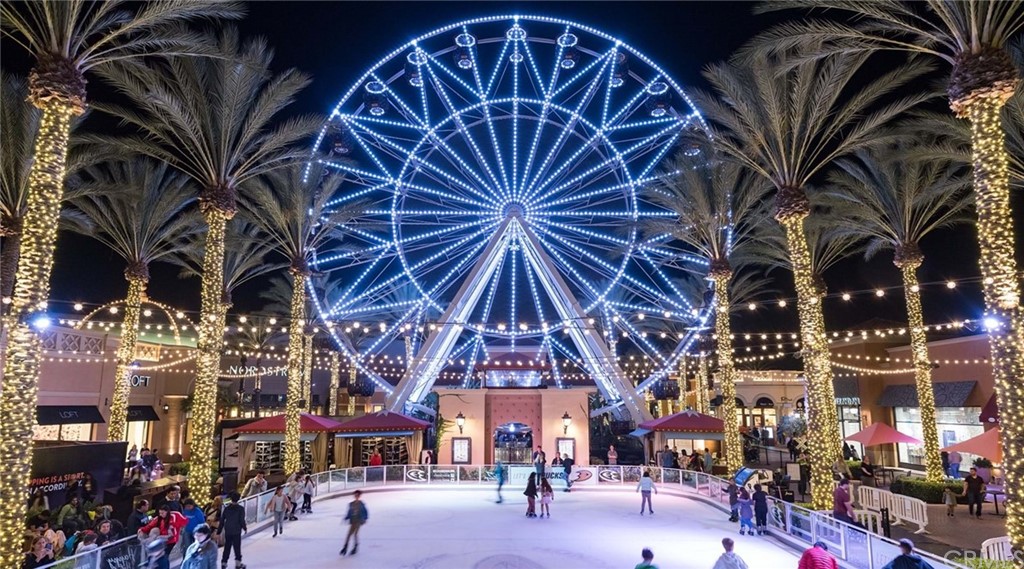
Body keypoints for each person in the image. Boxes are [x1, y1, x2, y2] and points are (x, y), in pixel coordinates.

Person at [137, 504, 188, 569]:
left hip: (171, 540)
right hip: (162, 541)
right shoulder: (158, 519)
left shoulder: (175, 515)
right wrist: (141, 530)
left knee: (164, 557)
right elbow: (149, 526)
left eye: (162, 513)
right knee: (161, 557)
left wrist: (178, 527)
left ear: (167, 511)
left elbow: (184, 521)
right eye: (160, 513)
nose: (161, 514)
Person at [217, 492, 247, 569]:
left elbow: (222, 520)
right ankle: (238, 564)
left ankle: (224, 563)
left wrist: (219, 531)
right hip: (236, 531)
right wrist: (244, 528)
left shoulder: (227, 509)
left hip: (228, 531)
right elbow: (241, 520)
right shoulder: (240, 509)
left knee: (227, 547)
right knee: (237, 547)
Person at [339, 490, 368, 556]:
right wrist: (346, 517)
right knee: (349, 535)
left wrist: (365, 518)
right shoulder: (351, 504)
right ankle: (345, 547)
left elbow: (365, 512)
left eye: (357, 495)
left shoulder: (361, 504)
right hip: (353, 521)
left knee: (355, 534)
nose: (356, 496)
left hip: (358, 521)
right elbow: (349, 512)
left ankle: (355, 547)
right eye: (355, 495)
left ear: (359, 496)